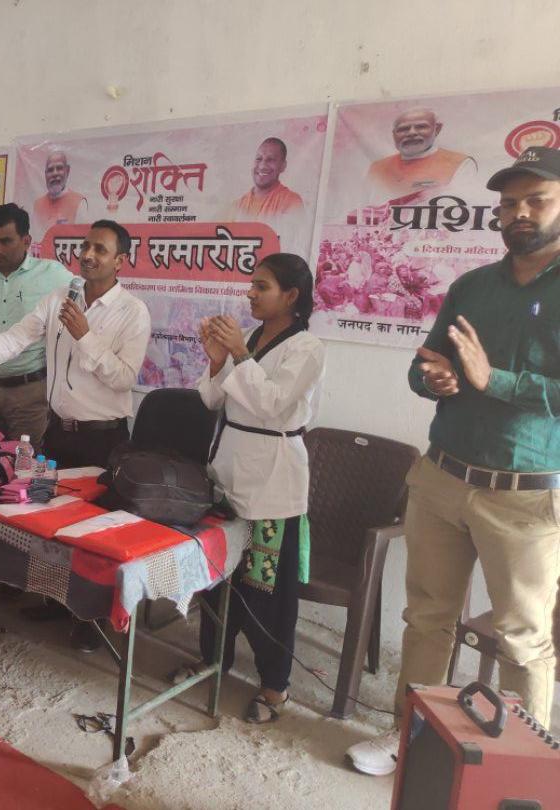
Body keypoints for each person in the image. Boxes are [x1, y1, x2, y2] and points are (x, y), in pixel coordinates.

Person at [347, 146, 560, 776]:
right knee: (427, 618)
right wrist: (433, 379)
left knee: (522, 640)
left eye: (537, 201)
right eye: (509, 203)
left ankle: (520, 771)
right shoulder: (472, 286)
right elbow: (425, 364)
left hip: (523, 495)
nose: (519, 213)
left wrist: (494, 380)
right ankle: (409, 735)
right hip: (442, 477)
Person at [0, 220, 151, 650]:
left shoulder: (132, 311)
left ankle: (93, 622)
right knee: (55, 523)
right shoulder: (60, 298)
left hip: (102, 438)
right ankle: (59, 601)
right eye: (86, 246)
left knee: (94, 534)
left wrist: (85, 337)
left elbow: (123, 378)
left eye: (100, 250)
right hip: (58, 432)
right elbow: (10, 341)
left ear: (120, 261)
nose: (88, 255)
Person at [193, 254, 325, 724]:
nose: (250, 293)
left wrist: (240, 357)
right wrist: (216, 361)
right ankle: (215, 662)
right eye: (251, 284)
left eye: (262, 286)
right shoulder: (248, 338)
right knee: (218, 579)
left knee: (267, 589)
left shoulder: (306, 348)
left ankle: (274, 686)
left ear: (291, 296)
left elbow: (272, 405)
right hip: (228, 470)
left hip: (272, 480)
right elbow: (212, 399)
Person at [0, 204, 73, 446]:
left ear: (26, 241)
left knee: (23, 463)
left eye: (5, 241)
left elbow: (87, 304)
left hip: (29, 392)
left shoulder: (53, 274)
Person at [365, 107, 475, 201]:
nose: (411, 133)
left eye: (421, 127)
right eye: (403, 129)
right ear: (394, 134)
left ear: (437, 129)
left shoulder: (459, 163)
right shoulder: (377, 168)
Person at [225, 138, 307, 254]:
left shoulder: (291, 202)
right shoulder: (237, 205)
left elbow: (292, 248)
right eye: (259, 159)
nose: (262, 165)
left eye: (270, 160)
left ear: (283, 166)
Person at [32, 150, 88, 238]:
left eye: (59, 168)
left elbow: (83, 239)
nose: (55, 173)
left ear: (67, 170)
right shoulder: (37, 205)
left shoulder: (79, 202)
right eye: (50, 170)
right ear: (45, 174)